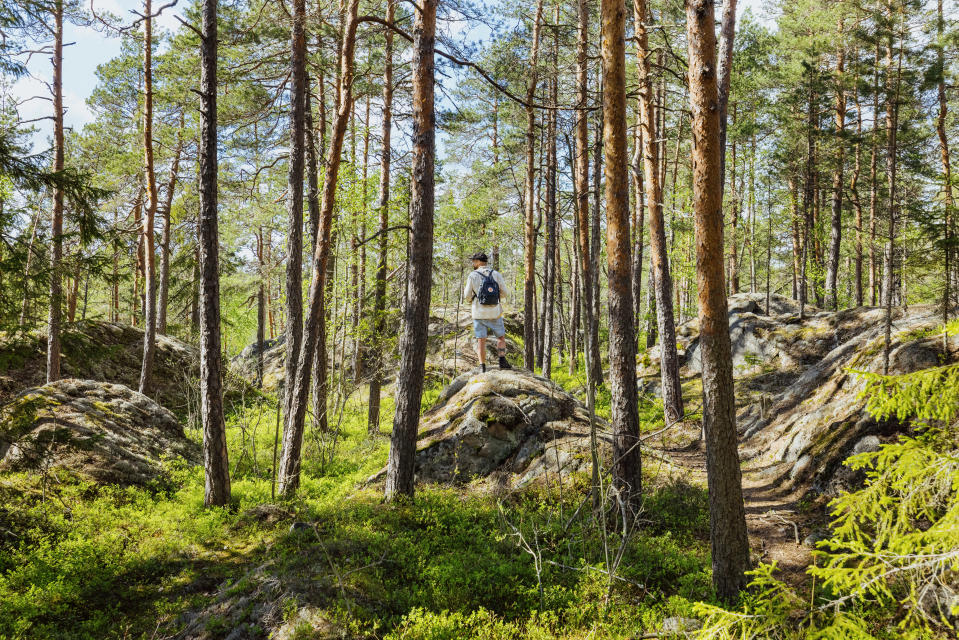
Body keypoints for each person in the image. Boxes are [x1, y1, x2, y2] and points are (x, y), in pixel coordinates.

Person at [462, 252, 511, 372]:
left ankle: (482, 366)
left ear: (478, 262)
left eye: (474, 261)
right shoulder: (496, 274)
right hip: (495, 312)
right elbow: (505, 293)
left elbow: (467, 295)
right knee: (501, 337)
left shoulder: (472, 275)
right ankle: (502, 361)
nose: (473, 263)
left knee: (481, 340)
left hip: (479, 313)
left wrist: (473, 300)